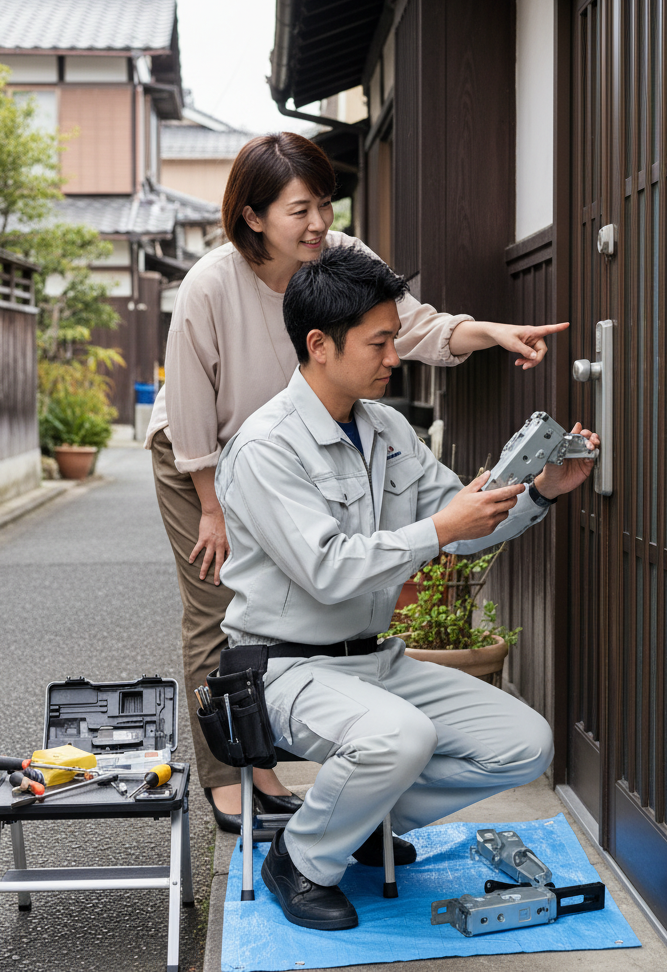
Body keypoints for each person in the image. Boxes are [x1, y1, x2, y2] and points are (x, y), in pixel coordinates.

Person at [145, 132, 570, 831]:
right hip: (205, 454)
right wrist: (213, 507)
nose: (318, 224)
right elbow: (191, 403)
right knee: (216, 608)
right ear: (253, 217)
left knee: (328, 594)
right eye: (299, 209)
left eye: (325, 206)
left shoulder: (343, 261)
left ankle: (352, 806)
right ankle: (235, 773)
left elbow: (411, 328)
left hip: (310, 441)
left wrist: (487, 331)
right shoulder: (211, 282)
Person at [213, 246, 599, 930]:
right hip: (285, 668)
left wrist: (540, 491)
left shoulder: (386, 429)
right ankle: (298, 860)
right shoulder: (265, 448)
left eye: (395, 339)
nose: (395, 357)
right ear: (319, 345)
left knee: (525, 741)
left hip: (375, 661)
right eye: (380, 342)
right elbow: (328, 570)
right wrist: (437, 530)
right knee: (400, 734)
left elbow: (462, 528)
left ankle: (353, 822)